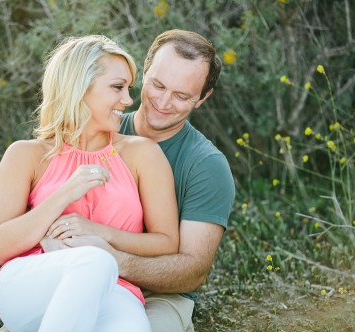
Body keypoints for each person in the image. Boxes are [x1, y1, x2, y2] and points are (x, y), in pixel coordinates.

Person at [0, 35, 180, 331]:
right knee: (94, 263)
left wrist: (99, 235)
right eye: (117, 87)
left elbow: (167, 243)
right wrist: (66, 193)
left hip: (117, 290)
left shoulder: (143, 154)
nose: (128, 100)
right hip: (31, 282)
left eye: (129, 88)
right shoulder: (25, 155)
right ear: (79, 87)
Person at [59, 29, 235, 332]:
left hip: (159, 296)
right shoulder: (96, 130)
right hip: (77, 276)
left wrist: (113, 260)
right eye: (157, 85)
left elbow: (191, 272)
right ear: (144, 69)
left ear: (203, 98)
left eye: (182, 96)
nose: (164, 102)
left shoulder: (206, 166)